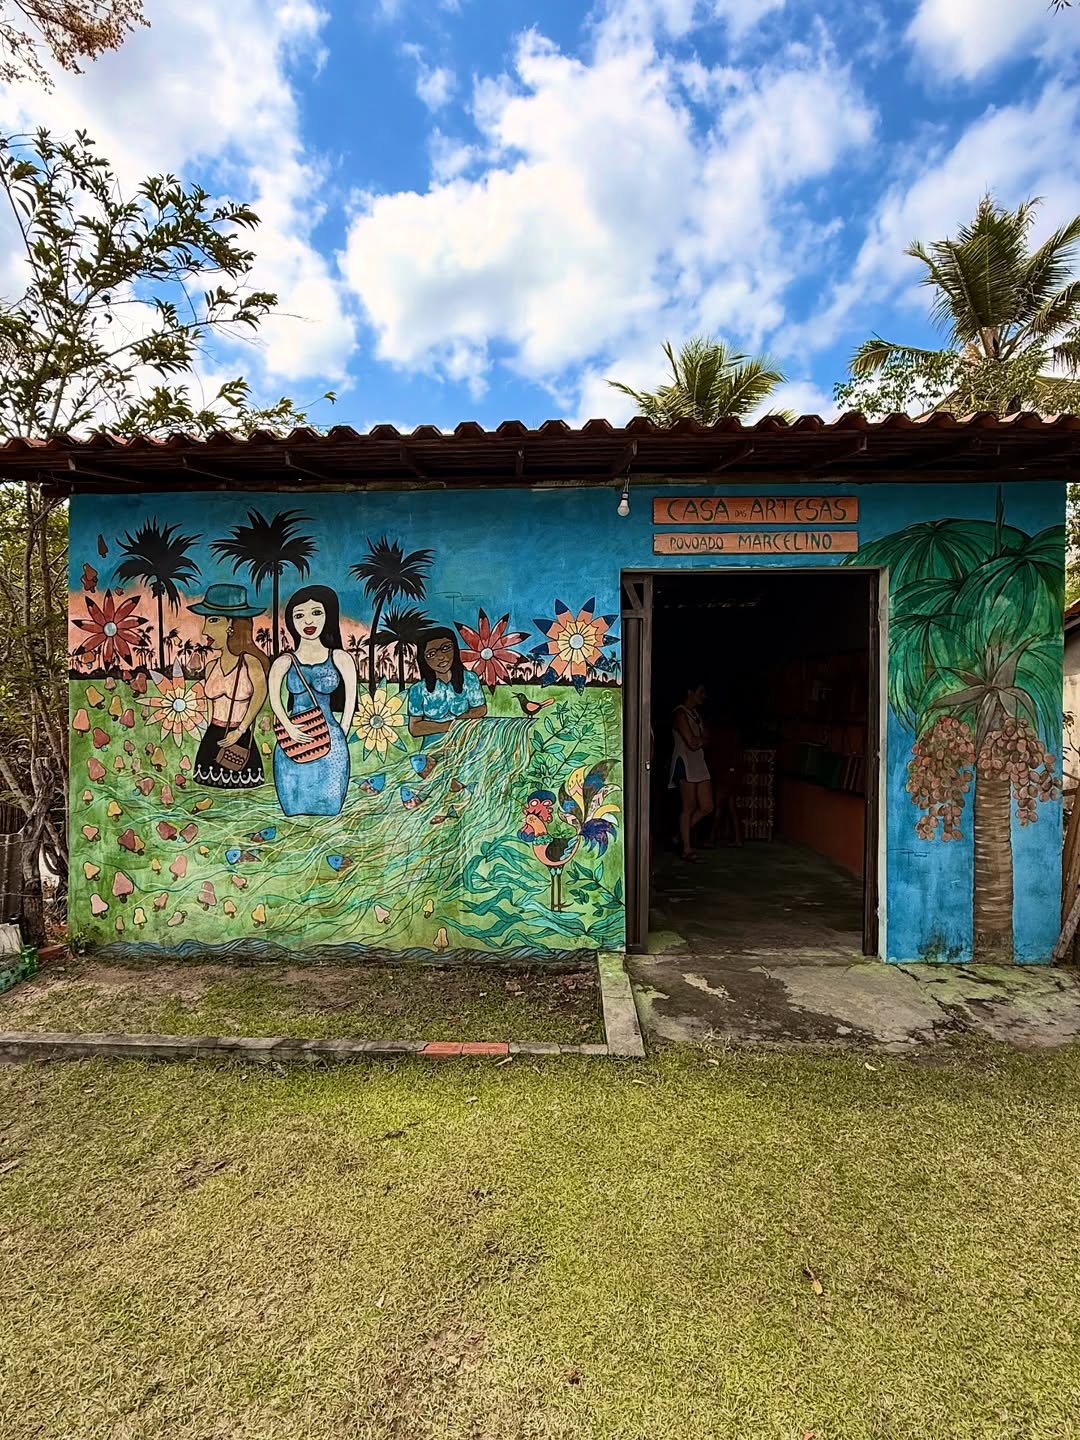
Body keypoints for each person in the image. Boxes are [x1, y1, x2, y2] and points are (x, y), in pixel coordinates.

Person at [268, 585, 356, 817]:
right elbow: (275, 701)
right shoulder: (283, 662)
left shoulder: (341, 658)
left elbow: (350, 702)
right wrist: (289, 728)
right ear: (291, 621)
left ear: (328, 615)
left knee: (330, 810)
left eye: (316, 612)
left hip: (332, 741)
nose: (308, 621)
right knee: (293, 808)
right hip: (293, 740)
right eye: (299, 615)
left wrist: (340, 734)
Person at [187, 583, 269, 790]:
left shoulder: (250, 663)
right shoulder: (210, 667)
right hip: (212, 737)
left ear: (232, 624)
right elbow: (210, 707)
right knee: (207, 789)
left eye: (213, 620)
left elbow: (260, 696)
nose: (205, 630)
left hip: (239, 737)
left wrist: (239, 731)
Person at [407, 627, 487, 745]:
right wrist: (452, 726)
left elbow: (481, 709)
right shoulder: (417, 689)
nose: (441, 656)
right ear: (423, 659)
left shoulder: (469, 679)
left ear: (455, 649)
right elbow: (415, 728)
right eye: (431, 653)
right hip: (433, 748)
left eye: (446, 648)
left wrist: (459, 721)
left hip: (468, 744)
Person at [669, 681, 712, 862]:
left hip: (699, 762)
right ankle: (687, 849)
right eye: (700, 692)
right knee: (689, 806)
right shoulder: (680, 713)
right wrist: (703, 740)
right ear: (690, 692)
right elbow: (692, 742)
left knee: (707, 806)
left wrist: (702, 740)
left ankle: (680, 834)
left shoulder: (695, 714)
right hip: (685, 762)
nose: (703, 696)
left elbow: (706, 738)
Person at [706, 705, 743, 847]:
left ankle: (712, 839)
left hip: (723, 773)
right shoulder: (733, 733)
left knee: (718, 807)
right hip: (731, 773)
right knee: (731, 807)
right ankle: (738, 839)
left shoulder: (718, 733)